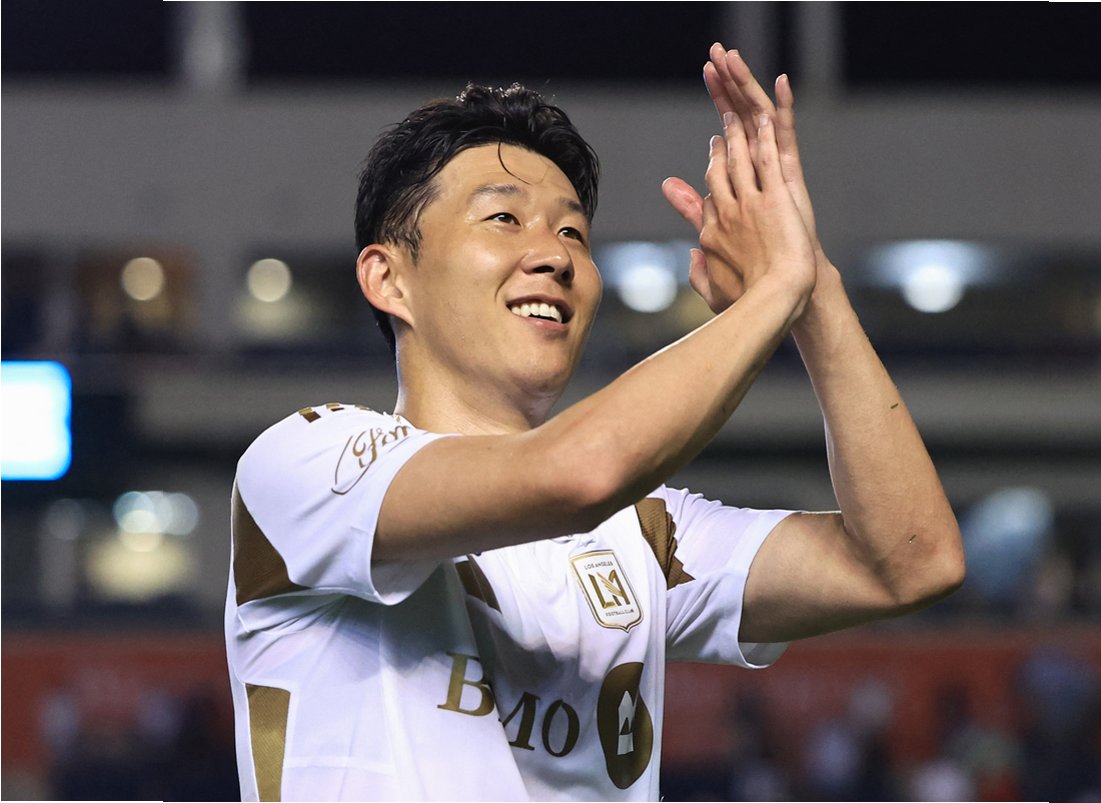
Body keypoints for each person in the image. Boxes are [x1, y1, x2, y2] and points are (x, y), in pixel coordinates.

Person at [224, 43, 964, 801]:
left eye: (572, 233)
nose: (553, 255)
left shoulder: (641, 531)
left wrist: (815, 291)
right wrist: (776, 289)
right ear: (388, 278)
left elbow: (910, 562)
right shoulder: (307, 463)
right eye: (504, 218)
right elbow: (577, 474)